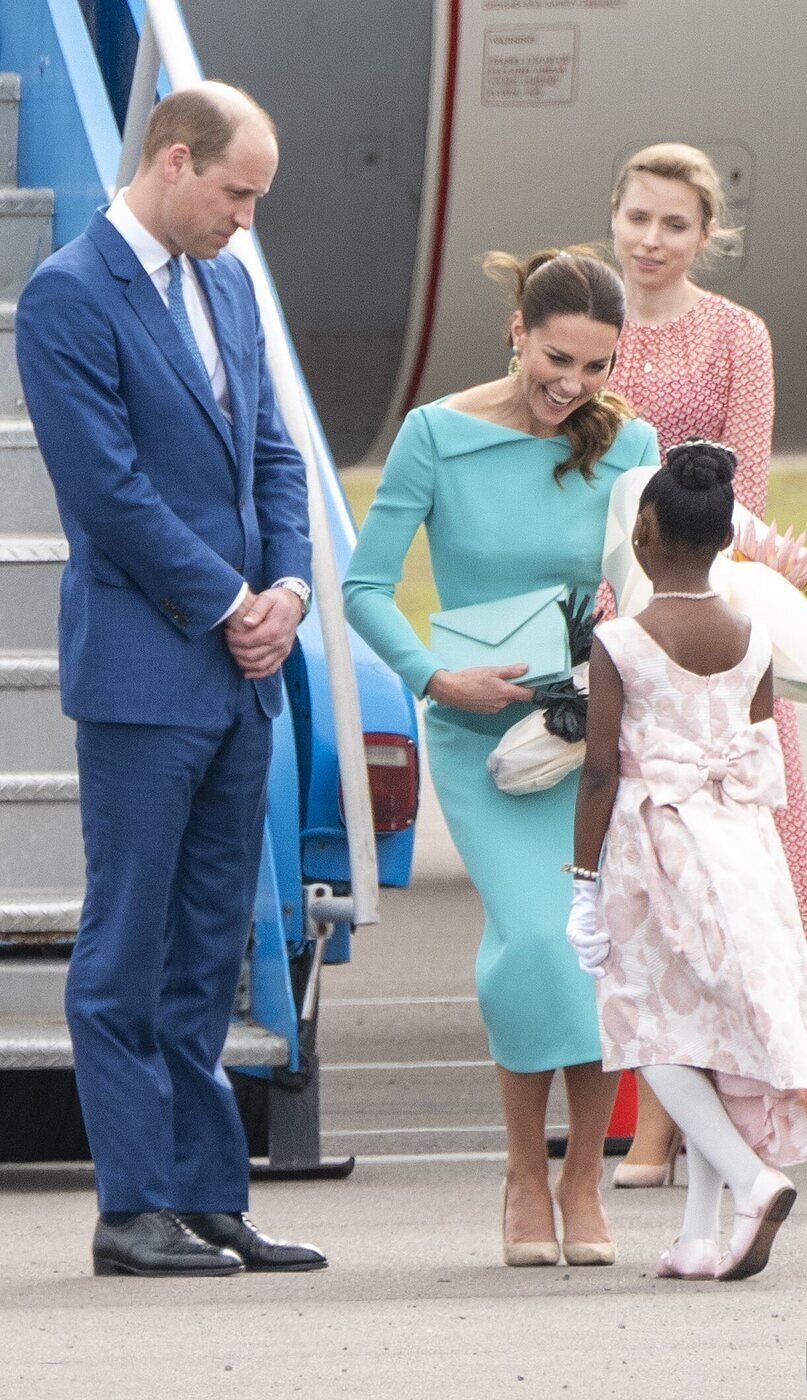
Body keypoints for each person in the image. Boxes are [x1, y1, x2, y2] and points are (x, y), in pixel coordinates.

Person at [15, 83, 327, 1277]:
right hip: (150, 669)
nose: (246, 220)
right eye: (237, 193)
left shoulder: (229, 282)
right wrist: (226, 600)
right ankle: (130, 1203)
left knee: (206, 943)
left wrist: (289, 591)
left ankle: (207, 1194)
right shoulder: (68, 296)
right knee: (127, 943)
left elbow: (272, 455)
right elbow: (105, 493)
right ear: (175, 160)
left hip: (241, 668)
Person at [343, 248, 658, 1266]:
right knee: (535, 939)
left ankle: (581, 1179)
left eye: (596, 367)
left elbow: (644, 589)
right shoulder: (435, 436)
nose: (572, 385)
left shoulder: (629, 444)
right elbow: (365, 588)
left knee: (595, 946)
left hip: (586, 738)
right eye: (555, 358)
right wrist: (433, 677)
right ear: (515, 331)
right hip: (479, 733)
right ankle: (525, 1168)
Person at [602, 141, 807, 1187]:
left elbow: (739, 486)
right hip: (614, 616)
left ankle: (682, 1123)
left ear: (707, 237)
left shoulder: (736, 334)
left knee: (726, 879)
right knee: (644, 876)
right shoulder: (584, 320)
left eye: (672, 224)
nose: (649, 240)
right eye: (636, 216)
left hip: (704, 618)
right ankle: (659, 1108)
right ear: (610, 215)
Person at [566, 439, 807, 1281]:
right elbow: (755, 753)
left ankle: (754, 1181)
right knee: (714, 1033)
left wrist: (581, 882)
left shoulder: (622, 641)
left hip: (658, 849)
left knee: (648, 1028)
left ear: (643, 530)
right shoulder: (752, 636)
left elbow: (601, 769)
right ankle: (697, 1234)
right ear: (724, 540)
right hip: (742, 845)